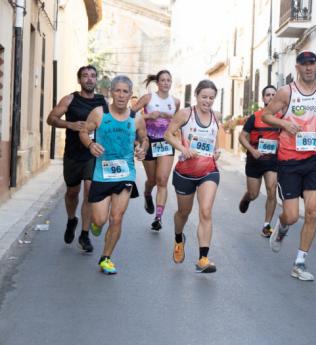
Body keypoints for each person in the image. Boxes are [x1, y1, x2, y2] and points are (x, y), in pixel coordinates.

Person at [262, 51, 316, 281]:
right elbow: (267, 115)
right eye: (304, 64)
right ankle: (282, 227)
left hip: (314, 160)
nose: (308, 68)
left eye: (312, 64)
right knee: (292, 215)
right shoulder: (287, 92)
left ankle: (299, 262)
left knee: (313, 211)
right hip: (288, 160)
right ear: (297, 67)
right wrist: (284, 123)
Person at [79, 75, 148, 274]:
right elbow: (83, 132)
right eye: (117, 90)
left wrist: (142, 149)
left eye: (125, 91)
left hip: (125, 174)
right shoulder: (99, 113)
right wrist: (91, 144)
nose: (120, 95)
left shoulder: (136, 118)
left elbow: (144, 139)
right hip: (102, 174)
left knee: (116, 218)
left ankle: (106, 258)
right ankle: (95, 223)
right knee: (100, 219)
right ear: (110, 93)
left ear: (130, 95)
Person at [46, 65, 107, 252]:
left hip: (92, 153)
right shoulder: (70, 99)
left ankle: (84, 234)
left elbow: (109, 122)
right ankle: (72, 220)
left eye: (92, 76)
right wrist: (70, 124)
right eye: (85, 76)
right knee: (72, 193)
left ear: (96, 80)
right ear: (79, 80)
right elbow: (51, 118)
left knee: (89, 191)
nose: (89, 79)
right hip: (73, 153)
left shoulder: (102, 101)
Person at [164, 80, 221, 273]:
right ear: (196, 95)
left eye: (211, 98)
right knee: (183, 213)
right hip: (185, 172)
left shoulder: (216, 116)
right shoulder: (185, 114)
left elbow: (215, 140)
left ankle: (203, 258)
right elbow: (168, 135)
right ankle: (179, 237)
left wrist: (217, 151)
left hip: (208, 170)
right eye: (204, 97)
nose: (207, 101)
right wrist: (183, 148)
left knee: (205, 211)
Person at [131, 71, 180, 232]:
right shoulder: (148, 98)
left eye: (168, 80)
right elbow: (131, 115)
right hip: (149, 141)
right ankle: (147, 193)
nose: (166, 83)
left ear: (171, 83)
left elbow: (177, 121)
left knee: (162, 180)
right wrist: (148, 116)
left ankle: (158, 218)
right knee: (152, 180)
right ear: (157, 83)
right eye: (163, 80)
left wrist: (169, 118)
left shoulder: (175, 102)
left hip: (166, 142)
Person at [238, 85, 280, 237]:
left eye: (273, 94)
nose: (270, 97)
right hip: (255, 159)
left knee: (271, 189)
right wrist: (252, 150)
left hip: (273, 160)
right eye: (267, 94)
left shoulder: (282, 117)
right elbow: (242, 136)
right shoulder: (255, 117)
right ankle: (247, 196)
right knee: (254, 193)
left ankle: (266, 225)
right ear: (263, 98)